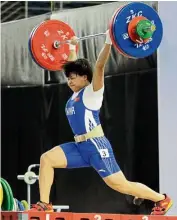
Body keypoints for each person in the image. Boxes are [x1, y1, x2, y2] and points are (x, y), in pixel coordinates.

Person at [29, 30, 173, 215]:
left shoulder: (92, 93)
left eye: (73, 77)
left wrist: (108, 41)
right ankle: (44, 203)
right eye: (68, 78)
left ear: (85, 77)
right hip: (79, 147)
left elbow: (99, 67)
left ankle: (161, 199)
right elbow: (73, 63)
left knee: (121, 185)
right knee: (46, 159)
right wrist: (71, 45)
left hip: (96, 145)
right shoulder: (75, 96)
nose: (69, 81)